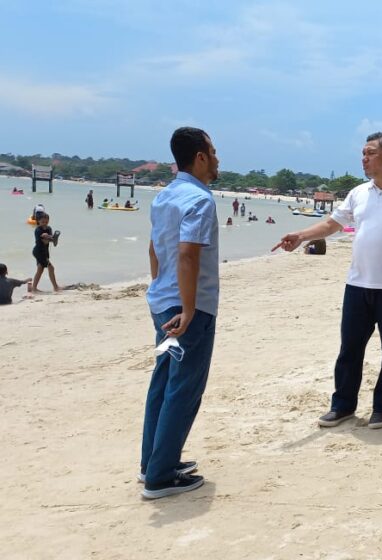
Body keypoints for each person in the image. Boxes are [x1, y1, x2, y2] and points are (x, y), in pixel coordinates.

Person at [273, 132, 382, 429]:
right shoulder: (358, 193)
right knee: (349, 348)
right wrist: (300, 235)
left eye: (370, 153)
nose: (363, 159)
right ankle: (343, 406)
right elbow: (331, 224)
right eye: (363, 153)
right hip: (357, 284)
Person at [140, 127, 220, 500]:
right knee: (183, 389)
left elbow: (155, 251)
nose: (218, 159)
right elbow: (188, 254)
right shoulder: (199, 199)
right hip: (189, 308)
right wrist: (188, 308)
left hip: (162, 302)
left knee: (163, 383)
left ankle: (153, 462)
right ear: (201, 157)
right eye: (214, 152)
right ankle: (161, 475)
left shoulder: (165, 196)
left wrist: (162, 289)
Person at [31, 213, 60, 292]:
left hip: (44, 252)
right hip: (38, 252)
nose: (44, 223)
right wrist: (46, 237)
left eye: (46, 222)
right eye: (43, 222)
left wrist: (52, 238)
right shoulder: (38, 230)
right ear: (38, 221)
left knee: (40, 269)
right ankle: (56, 287)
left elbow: (51, 242)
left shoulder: (49, 228)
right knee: (51, 268)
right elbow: (44, 241)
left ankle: (34, 288)